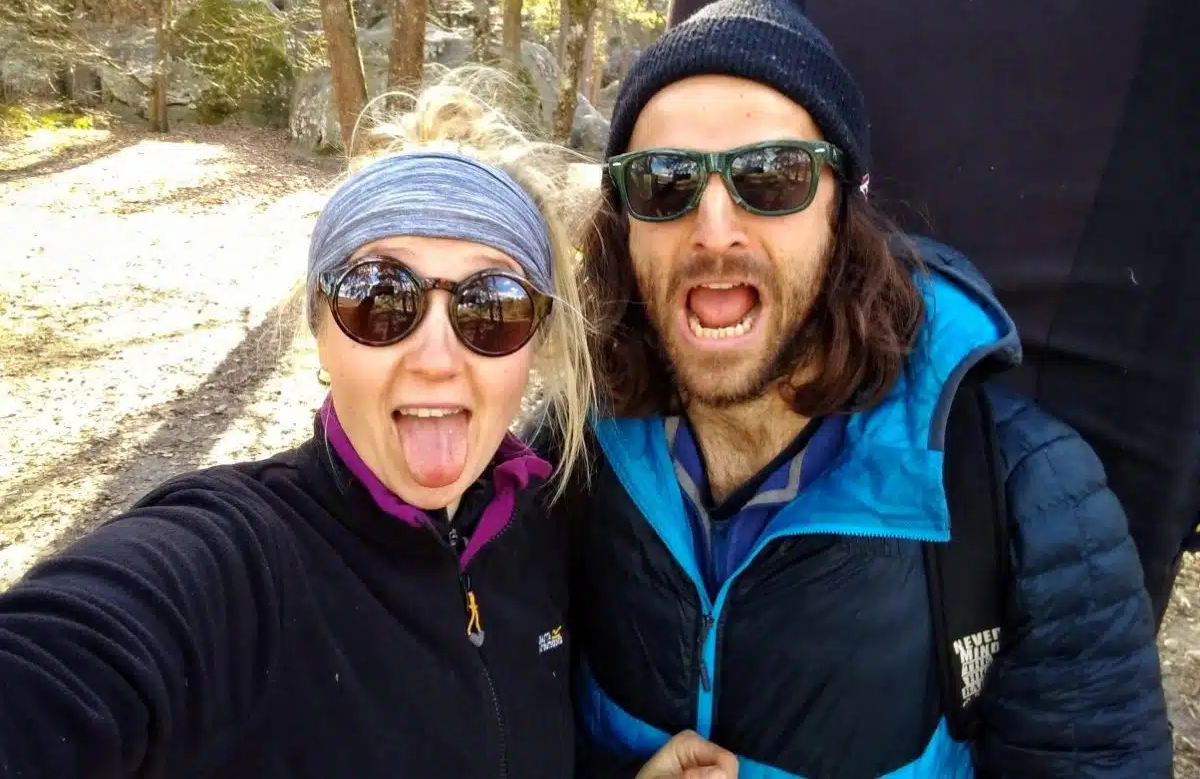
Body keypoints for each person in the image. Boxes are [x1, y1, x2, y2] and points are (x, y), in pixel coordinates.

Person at [0, 74, 736, 779]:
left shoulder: (544, 528)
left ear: (535, 344)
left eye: (492, 306)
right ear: (321, 331)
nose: (437, 358)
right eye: (380, 301)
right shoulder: (236, 564)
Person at [561, 0, 1173, 777]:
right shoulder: (565, 462)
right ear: (623, 222)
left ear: (843, 209)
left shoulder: (1027, 496)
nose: (713, 230)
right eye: (665, 182)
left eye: (771, 176)